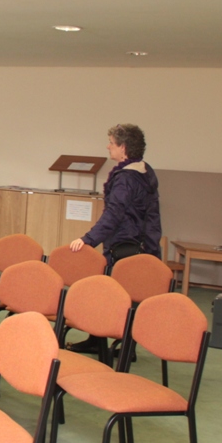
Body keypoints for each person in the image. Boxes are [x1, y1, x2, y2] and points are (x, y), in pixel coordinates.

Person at [67, 124, 161, 353]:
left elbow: (114, 213)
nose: (108, 146)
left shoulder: (126, 178)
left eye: (111, 142)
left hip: (124, 244)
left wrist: (88, 239)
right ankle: (111, 344)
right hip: (142, 244)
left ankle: (106, 343)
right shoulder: (145, 171)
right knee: (126, 295)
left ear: (123, 147)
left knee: (110, 294)